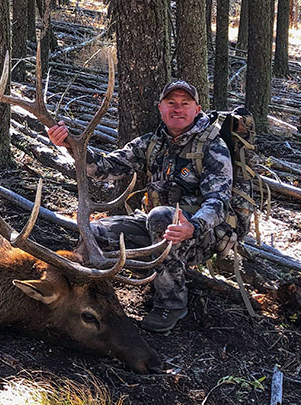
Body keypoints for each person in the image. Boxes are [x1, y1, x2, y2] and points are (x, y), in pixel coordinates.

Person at [48, 80, 234, 333]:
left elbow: (219, 202)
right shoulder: (151, 143)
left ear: (197, 109)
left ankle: (172, 303)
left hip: (201, 236)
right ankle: (89, 297)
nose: (177, 109)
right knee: (94, 232)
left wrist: (194, 225)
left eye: (184, 104)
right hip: (158, 227)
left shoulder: (213, 147)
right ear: (161, 108)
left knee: (160, 217)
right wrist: (70, 145)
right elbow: (102, 169)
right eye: (171, 103)